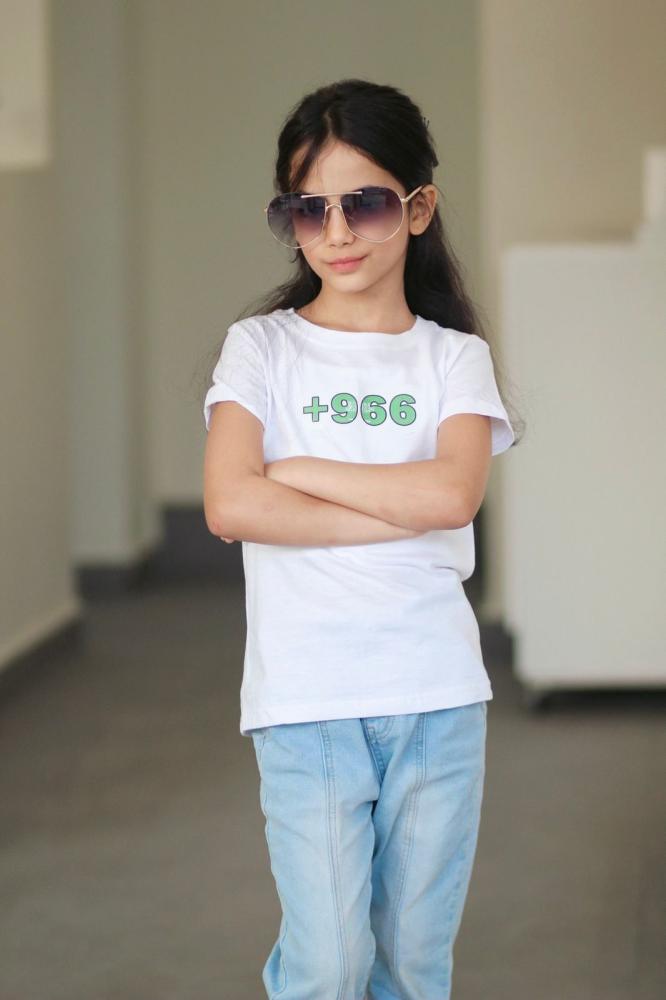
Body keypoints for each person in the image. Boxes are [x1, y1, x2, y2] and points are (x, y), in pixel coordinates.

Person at [202, 78, 519, 1000]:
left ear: (418, 208)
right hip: (307, 702)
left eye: (366, 203)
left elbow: (453, 495)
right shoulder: (260, 349)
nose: (336, 233)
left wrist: (298, 470)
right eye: (308, 209)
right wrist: (393, 514)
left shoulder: (454, 357)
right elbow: (230, 505)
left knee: (412, 965)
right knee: (332, 962)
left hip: (437, 697)